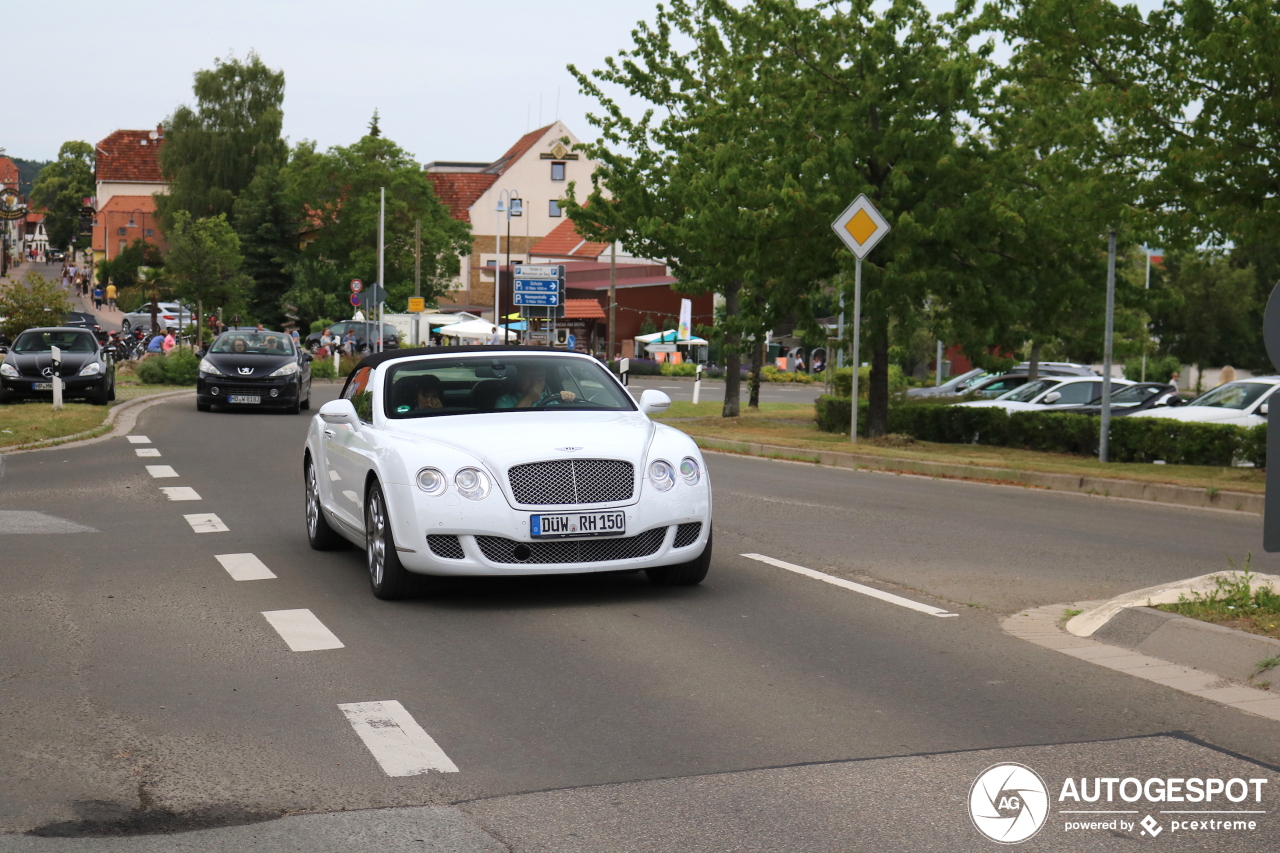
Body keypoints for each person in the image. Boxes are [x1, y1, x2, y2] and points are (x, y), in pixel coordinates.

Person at [495, 362, 576, 409]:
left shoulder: (553, 398)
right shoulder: (505, 401)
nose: (535, 382)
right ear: (519, 380)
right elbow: (507, 424)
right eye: (528, 378)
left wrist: (568, 397)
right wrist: (530, 398)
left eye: (540, 377)